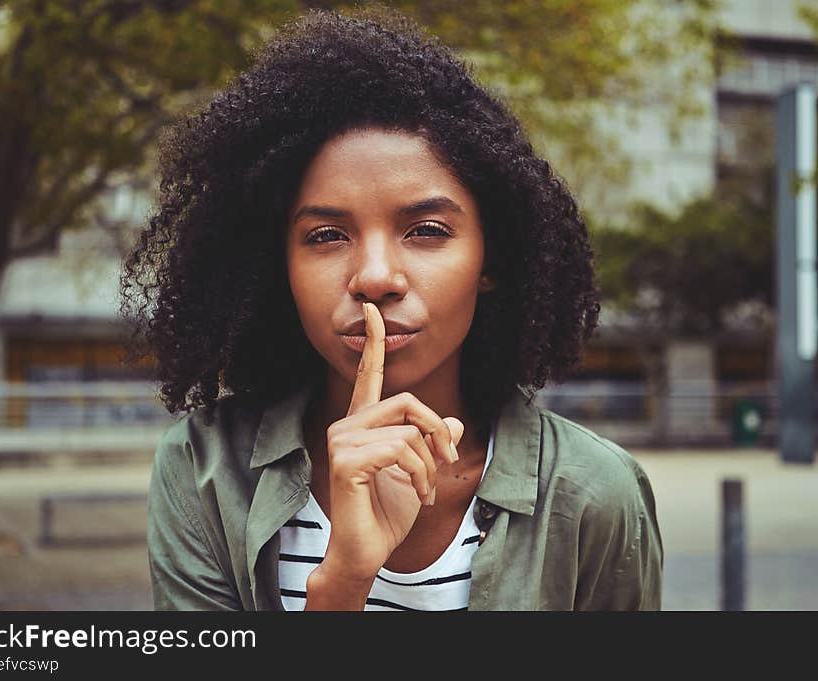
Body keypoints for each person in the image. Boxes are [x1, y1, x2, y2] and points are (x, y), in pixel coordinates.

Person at [120, 7, 663, 611]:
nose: (375, 277)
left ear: (492, 260)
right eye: (326, 235)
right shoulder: (204, 469)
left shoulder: (594, 493)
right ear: (276, 268)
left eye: (426, 229)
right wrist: (344, 582)